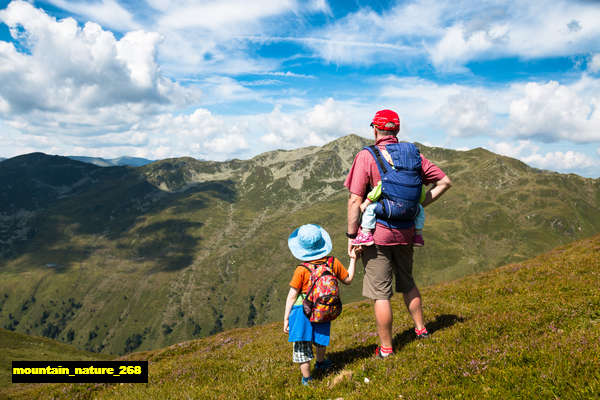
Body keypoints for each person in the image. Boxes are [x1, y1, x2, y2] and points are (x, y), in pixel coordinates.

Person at [344, 109, 452, 358]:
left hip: (376, 237)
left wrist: (352, 237)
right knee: (408, 282)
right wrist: (415, 206)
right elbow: (445, 182)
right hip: (407, 233)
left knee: (380, 293)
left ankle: (386, 348)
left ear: (375, 129)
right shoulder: (413, 154)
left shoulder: (367, 156)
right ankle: (422, 330)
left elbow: (354, 200)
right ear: (397, 131)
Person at [283, 224, 357, 385]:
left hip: (301, 310)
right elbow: (348, 280)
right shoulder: (332, 262)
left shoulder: (301, 269)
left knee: (302, 345)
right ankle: (321, 362)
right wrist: (353, 259)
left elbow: (292, 296)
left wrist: (286, 319)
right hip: (324, 308)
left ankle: (307, 379)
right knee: (320, 339)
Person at [352, 179, 428, 247]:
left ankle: (366, 234)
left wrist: (367, 201)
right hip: (410, 209)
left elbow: (378, 190)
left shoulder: (390, 176)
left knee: (370, 208)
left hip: (391, 208)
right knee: (420, 210)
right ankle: (418, 235)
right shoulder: (417, 179)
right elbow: (422, 198)